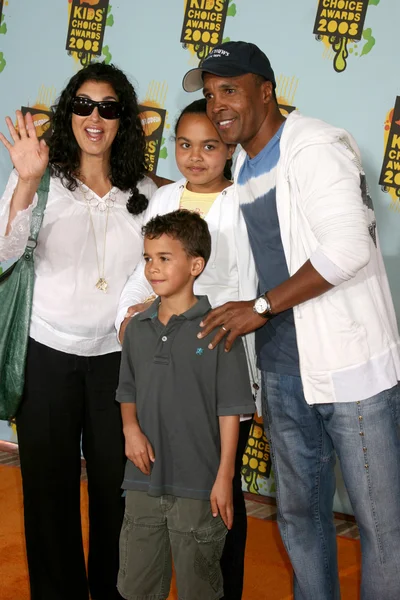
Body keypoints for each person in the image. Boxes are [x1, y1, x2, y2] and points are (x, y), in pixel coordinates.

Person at [182, 41, 400, 600]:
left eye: (229, 89)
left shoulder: (316, 145)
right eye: (210, 95)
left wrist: (260, 308)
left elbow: (348, 248)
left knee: (383, 528)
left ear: (266, 90)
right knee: (301, 521)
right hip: (284, 374)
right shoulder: (246, 165)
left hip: (352, 374)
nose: (218, 104)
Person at [0, 62, 157, 600]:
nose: (95, 117)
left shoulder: (144, 190)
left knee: (119, 492)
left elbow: (160, 268)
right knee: (48, 492)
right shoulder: (39, 178)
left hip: (119, 362)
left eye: (109, 108)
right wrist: (23, 181)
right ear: (68, 113)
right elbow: (3, 253)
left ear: (124, 120)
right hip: (46, 357)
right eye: (84, 105)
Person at [116, 98, 258, 600]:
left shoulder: (245, 200)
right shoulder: (165, 197)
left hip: (216, 352)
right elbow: (142, 271)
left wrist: (219, 326)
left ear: (230, 149)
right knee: (152, 496)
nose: (195, 156)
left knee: (216, 499)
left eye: (210, 146)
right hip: (162, 355)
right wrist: (129, 316)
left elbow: (250, 279)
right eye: (184, 144)